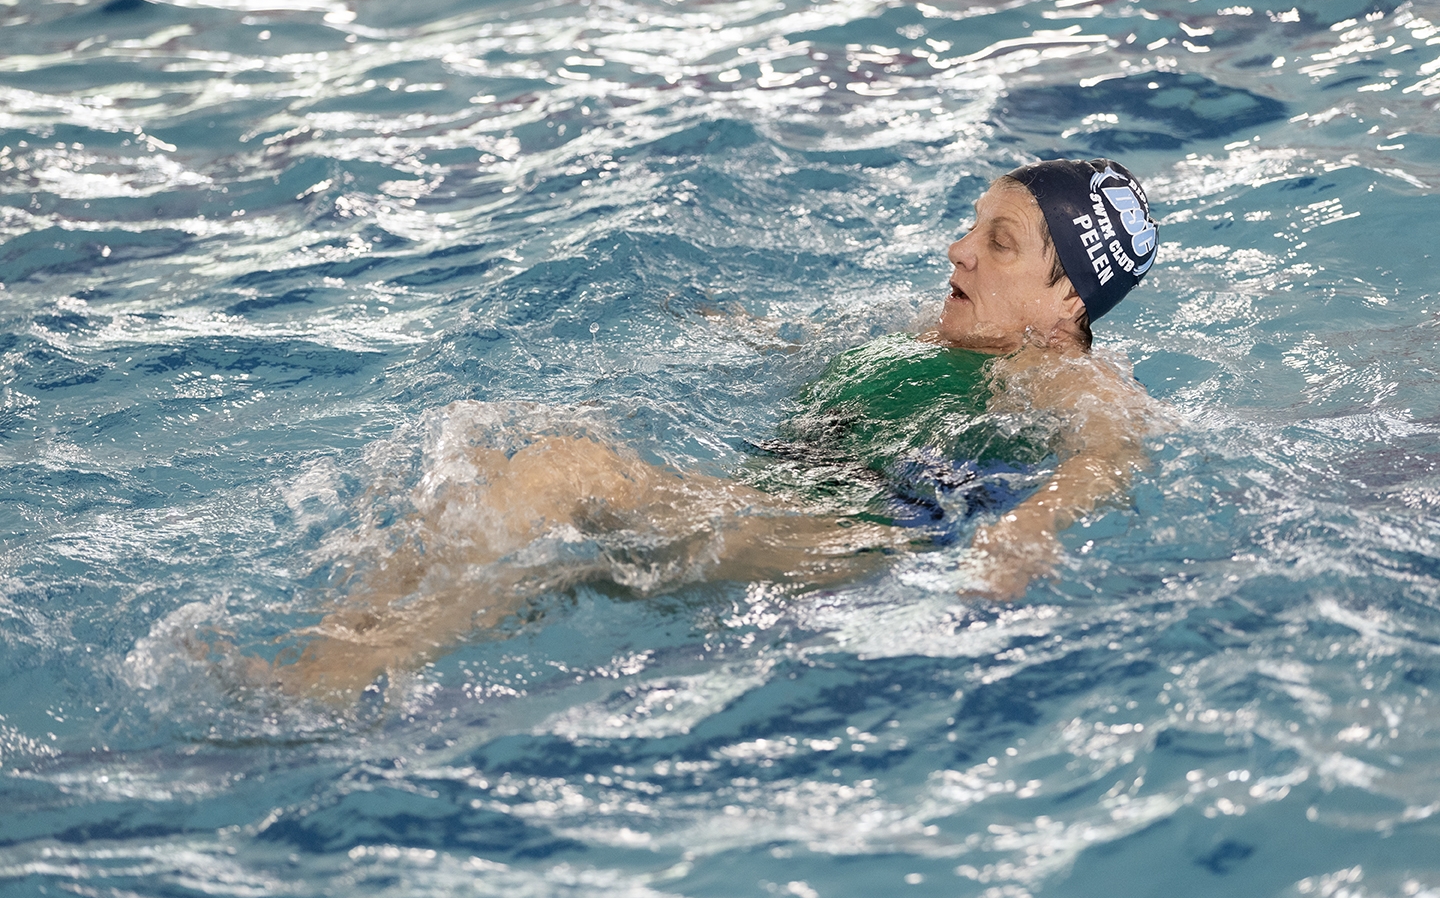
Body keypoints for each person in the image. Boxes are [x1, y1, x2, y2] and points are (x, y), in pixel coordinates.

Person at [252, 158, 1162, 702]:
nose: (958, 249)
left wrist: (1026, 534)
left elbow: (1114, 451)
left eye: (998, 244)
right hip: (779, 505)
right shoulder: (934, 330)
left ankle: (325, 691)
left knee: (571, 473)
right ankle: (342, 655)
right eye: (971, 224)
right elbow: (826, 359)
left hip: (845, 542)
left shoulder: (1056, 374)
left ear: (1067, 300)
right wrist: (740, 329)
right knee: (491, 459)